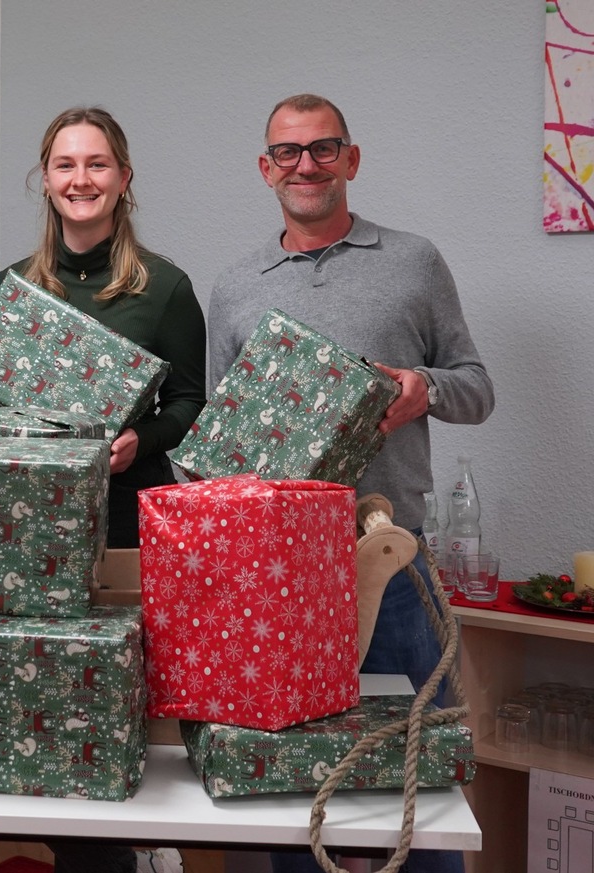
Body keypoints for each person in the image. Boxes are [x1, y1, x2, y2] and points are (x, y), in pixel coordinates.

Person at [208, 94, 494, 873]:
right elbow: (219, 448)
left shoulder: (414, 261)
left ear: (351, 159)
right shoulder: (235, 287)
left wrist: (420, 388)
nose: (307, 165)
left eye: (324, 148)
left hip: (394, 564)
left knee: (420, 780)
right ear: (266, 170)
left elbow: (477, 385)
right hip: (283, 580)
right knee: (299, 797)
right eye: (289, 153)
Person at [0, 106, 201, 873]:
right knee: (50, 695)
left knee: (122, 692)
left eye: (96, 165)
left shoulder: (165, 287)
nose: (80, 179)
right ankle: (88, 854)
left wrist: (140, 440)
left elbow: (190, 403)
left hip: (125, 520)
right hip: (36, 533)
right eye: (65, 165)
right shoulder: (16, 286)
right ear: (45, 179)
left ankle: (135, 848)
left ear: (123, 180)